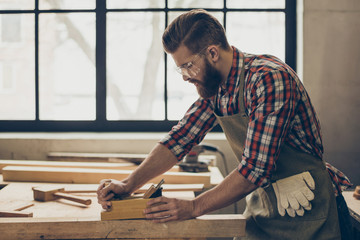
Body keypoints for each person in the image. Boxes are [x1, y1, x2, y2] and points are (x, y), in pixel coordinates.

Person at [97, 9, 352, 240]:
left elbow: (254, 169)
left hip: (311, 207)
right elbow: (181, 138)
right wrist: (128, 184)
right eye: (180, 69)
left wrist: (193, 207)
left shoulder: (269, 79)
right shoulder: (215, 88)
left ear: (212, 53)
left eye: (188, 66)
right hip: (266, 207)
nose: (185, 76)